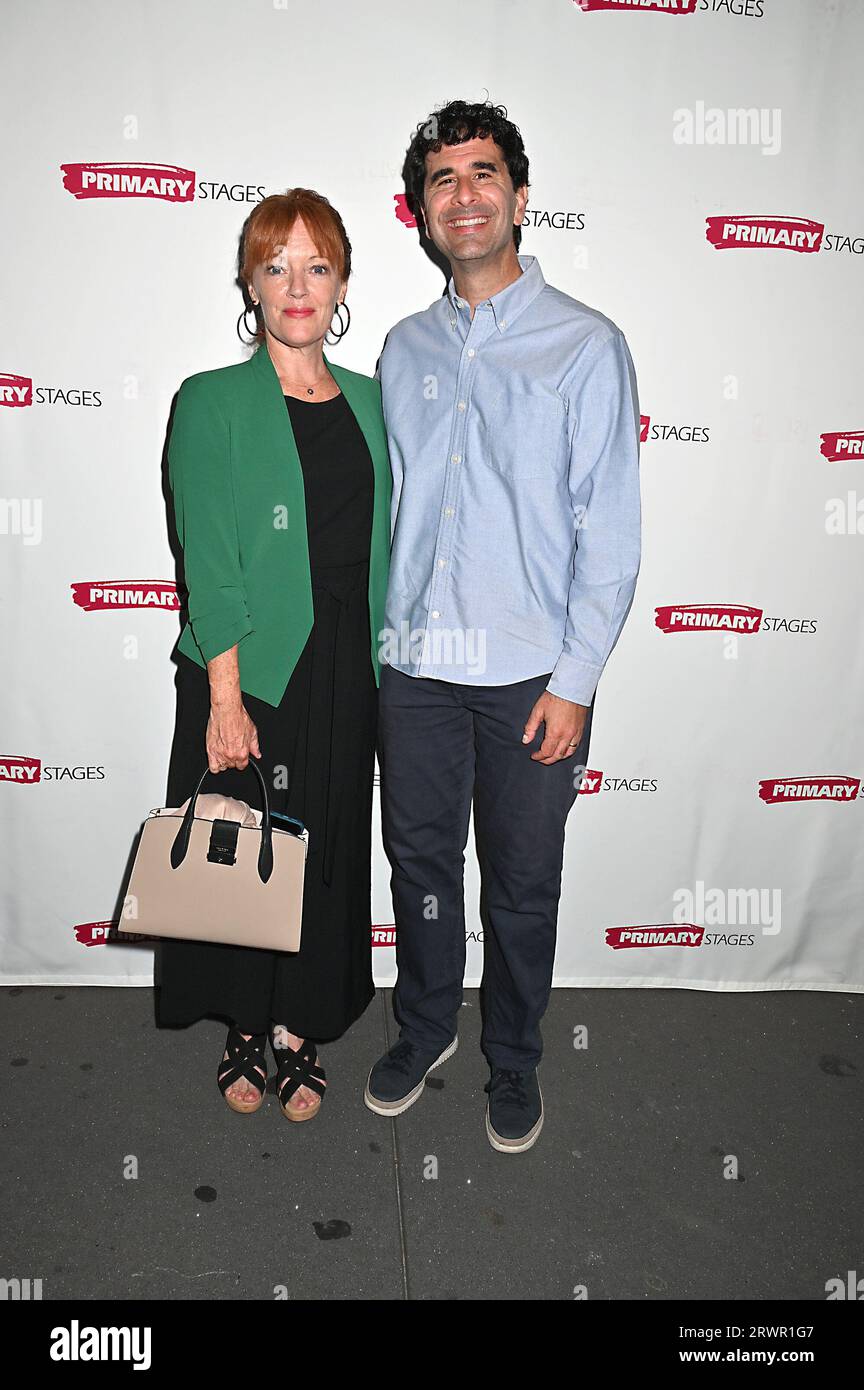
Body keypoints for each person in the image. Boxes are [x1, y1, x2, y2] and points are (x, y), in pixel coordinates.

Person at [368, 101, 642, 1153]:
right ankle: (428, 1023)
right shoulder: (402, 350)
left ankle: (515, 1056)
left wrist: (575, 680)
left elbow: (607, 530)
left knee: (524, 883)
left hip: (533, 676)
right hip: (419, 671)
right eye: (443, 181)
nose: (465, 196)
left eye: (484, 175)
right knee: (422, 865)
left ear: (520, 198)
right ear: (423, 212)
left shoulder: (585, 345)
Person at [157, 189, 392, 1121]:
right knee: (243, 847)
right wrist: (225, 696)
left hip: (350, 663)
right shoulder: (211, 401)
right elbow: (207, 559)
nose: (298, 285)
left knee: (323, 847)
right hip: (249, 664)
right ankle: (247, 1026)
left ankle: (300, 1026)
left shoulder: (378, 404)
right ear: (250, 284)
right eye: (277, 266)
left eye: (317, 265)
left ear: (341, 284)